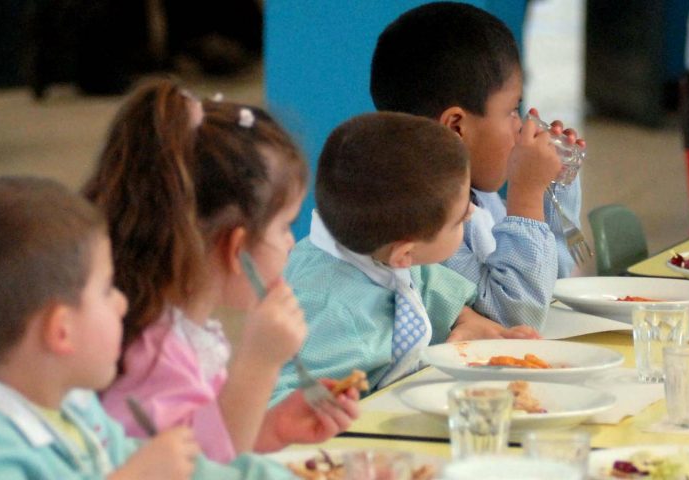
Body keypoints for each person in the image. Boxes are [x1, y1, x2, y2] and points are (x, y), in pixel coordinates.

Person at [83, 78, 360, 464]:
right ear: (235, 247)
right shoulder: (152, 356)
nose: (290, 244)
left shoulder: (176, 333)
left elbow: (202, 434)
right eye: (284, 227)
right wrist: (261, 363)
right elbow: (203, 470)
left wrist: (269, 428)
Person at [272, 112, 540, 403]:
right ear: (405, 253)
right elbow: (274, 398)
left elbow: (425, 282)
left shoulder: (373, 249)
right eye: (461, 218)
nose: (472, 213)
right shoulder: (333, 315)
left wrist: (468, 318)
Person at [370, 2, 585, 330]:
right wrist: (526, 195)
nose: (521, 126)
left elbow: (550, 285)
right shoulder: (423, 226)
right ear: (456, 127)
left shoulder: (479, 199)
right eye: (512, 110)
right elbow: (517, 317)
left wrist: (552, 186)